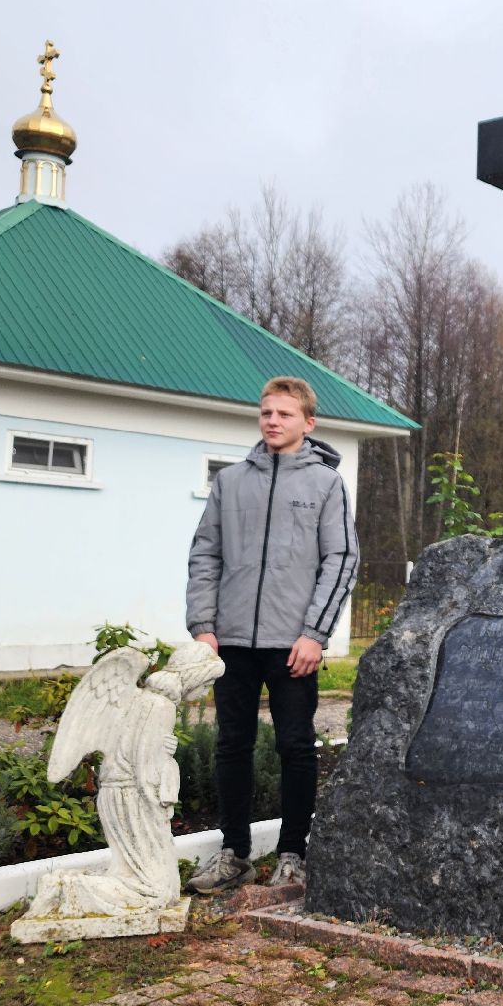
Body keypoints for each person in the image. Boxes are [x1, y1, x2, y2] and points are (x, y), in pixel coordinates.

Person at [184, 376, 359, 893]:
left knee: (296, 748)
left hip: (293, 645)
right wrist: (204, 628)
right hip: (231, 641)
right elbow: (204, 555)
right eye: (266, 412)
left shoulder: (326, 485)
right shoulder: (231, 481)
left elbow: (342, 559)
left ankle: (293, 855)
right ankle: (233, 852)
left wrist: (315, 634)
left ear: (308, 422)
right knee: (231, 746)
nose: (272, 421)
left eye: (284, 414)